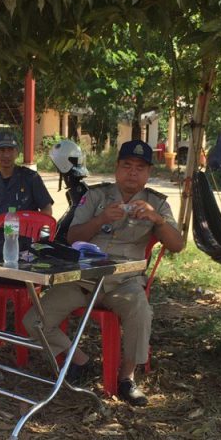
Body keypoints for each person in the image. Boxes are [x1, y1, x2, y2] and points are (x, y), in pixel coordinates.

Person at [22, 139, 184, 405]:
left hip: (124, 281)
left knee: (140, 312)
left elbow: (177, 245)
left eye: (140, 168)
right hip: (84, 278)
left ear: (148, 173)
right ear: (117, 168)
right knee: (34, 320)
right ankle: (79, 359)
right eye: (127, 166)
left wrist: (158, 220)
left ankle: (127, 377)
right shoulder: (95, 196)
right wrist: (101, 219)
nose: (132, 173)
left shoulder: (157, 203)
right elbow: (72, 237)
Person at [0, 130, 53, 228]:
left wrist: (25, 222)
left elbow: (47, 211)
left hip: (26, 235)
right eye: (2, 150)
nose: (6, 155)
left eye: (10, 149)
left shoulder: (31, 178)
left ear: (17, 152)